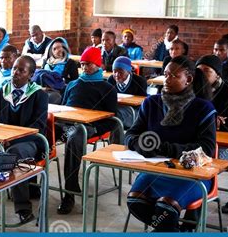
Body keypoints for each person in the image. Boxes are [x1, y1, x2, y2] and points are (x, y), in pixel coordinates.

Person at [125, 55, 216, 232]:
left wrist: (167, 149)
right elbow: (131, 134)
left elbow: (207, 149)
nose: (166, 79)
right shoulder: (151, 103)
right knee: (135, 202)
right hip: (157, 169)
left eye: (173, 76)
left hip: (192, 174)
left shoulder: (203, 108)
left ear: (188, 79)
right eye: (165, 74)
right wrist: (139, 144)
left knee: (166, 209)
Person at [56, 47, 123, 214]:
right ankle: (31, 185)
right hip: (66, 123)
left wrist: (95, 127)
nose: (84, 68)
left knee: (76, 133)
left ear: (98, 66)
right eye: (82, 64)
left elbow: (112, 119)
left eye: (89, 65)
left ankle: (69, 193)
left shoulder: (107, 88)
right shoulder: (72, 84)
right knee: (42, 128)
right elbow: (62, 108)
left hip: (87, 127)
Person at [0, 56, 48, 224]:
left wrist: (11, 139)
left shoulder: (39, 95)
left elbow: (38, 126)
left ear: (30, 75)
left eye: (21, 70)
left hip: (30, 141)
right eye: (15, 68)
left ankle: (23, 208)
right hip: (0, 140)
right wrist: (1, 138)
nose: (15, 72)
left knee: (14, 153)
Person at [195, 55, 228, 215]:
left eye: (207, 71)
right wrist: (214, 120)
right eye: (199, 71)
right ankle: (178, 205)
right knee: (181, 163)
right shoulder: (193, 90)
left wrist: (213, 121)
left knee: (205, 166)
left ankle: (193, 216)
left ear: (218, 74)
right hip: (200, 142)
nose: (202, 75)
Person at [107, 56, 147, 129]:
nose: (116, 75)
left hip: (133, 111)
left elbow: (141, 103)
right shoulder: (111, 80)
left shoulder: (140, 81)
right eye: (114, 71)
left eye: (120, 72)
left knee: (115, 117)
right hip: (117, 108)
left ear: (128, 71)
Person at [39, 37, 79, 104]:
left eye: (61, 47)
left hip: (61, 92)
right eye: (55, 49)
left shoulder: (70, 63)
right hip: (45, 90)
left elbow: (75, 82)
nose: (58, 50)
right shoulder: (46, 62)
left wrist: (63, 82)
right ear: (50, 50)